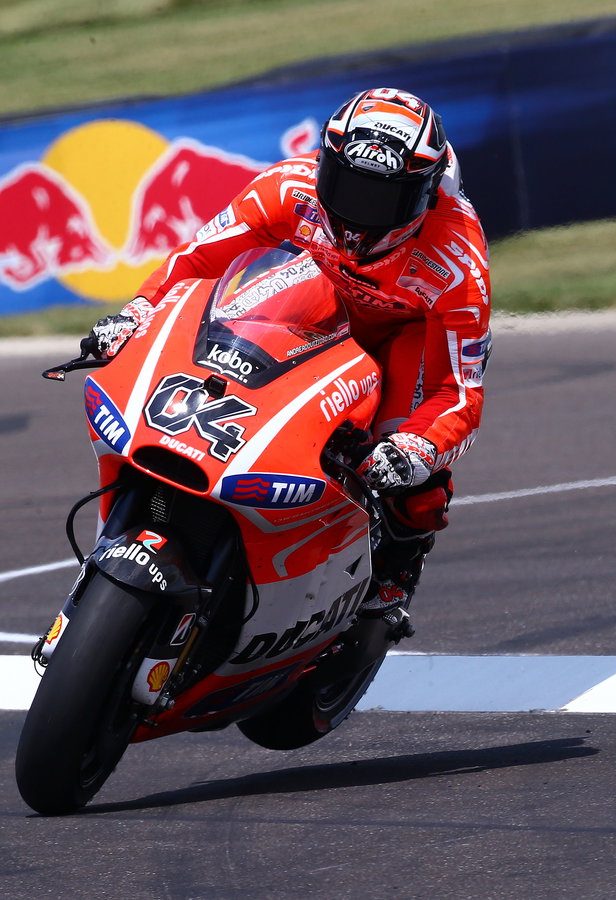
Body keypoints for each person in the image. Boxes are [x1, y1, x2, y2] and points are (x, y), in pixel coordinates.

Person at [89, 87, 491, 628]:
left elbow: (458, 392)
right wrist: (135, 314)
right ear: (323, 165)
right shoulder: (287, 187)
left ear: (425, 197)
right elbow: (194, 264)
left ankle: (399, 562)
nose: (357, 215)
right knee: (211, 345)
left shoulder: (458, 261)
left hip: (404, 334)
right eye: (345, 185)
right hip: (313, 295)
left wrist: (417, 448)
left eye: (382, 200)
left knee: (405, 467)